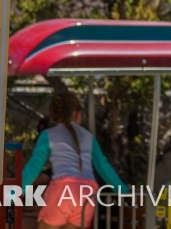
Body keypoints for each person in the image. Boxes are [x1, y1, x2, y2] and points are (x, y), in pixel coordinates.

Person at [23, 92, 129, 229]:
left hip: (62, 191)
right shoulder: (89, 137)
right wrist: (124, 191)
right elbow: (104, 167)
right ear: (78, 113)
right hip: (88, 194)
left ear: (53, 117)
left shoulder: (48, 135)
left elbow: (33, 168)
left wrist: (13, 193)